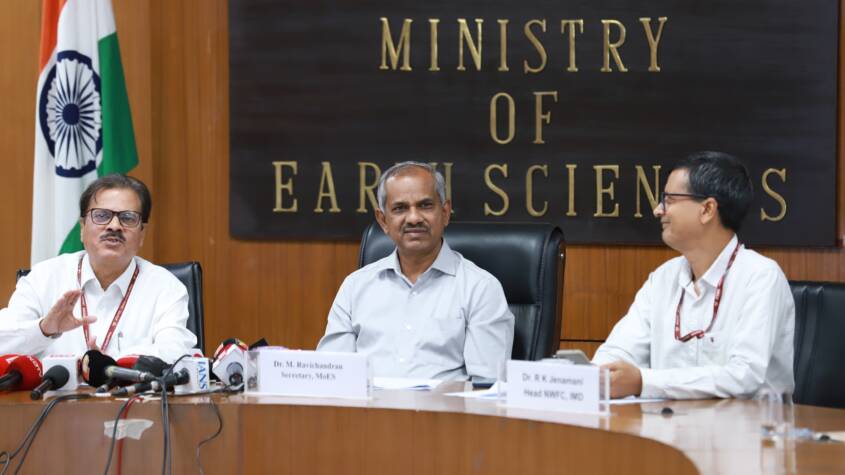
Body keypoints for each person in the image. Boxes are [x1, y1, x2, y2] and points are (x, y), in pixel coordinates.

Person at [592, 151, 795, 399]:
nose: (658, 210)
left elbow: (744, 376)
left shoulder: (760, 276)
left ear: (707, 209)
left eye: (669, 200)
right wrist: (594, 375)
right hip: (668, 421)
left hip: (748, 422)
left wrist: (643, 382)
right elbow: (618, 351)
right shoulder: (662, 279)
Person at [317, 161, 514, 380]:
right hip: (369, 402)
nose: (413, 218)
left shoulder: (481, 288)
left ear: (445, 212)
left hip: (444, 403)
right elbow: (332, 375)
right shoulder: (355, 287)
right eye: (400, 208)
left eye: (425, 205)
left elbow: (486, 385)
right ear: (383, 220)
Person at [0, 174, 196, 363]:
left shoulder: (166, 287)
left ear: (142, 234)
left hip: (131, 387)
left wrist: (111, 365)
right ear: (82, 228)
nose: (114, 226)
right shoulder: (44, 278)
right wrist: (44, 330)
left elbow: (175, 352)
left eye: (128, 218)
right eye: (101, 215)